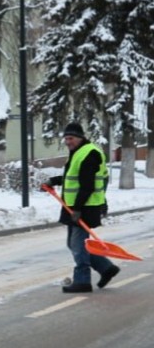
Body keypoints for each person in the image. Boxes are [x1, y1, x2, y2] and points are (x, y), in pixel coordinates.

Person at [44, 122, 119, 293]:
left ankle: (82, 281)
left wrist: (77, 209)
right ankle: (105, 268)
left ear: (79, 137)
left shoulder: (89, 153)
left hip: (84, 207)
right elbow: (74, 178)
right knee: (73, 244)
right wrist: (54, 181)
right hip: (75, 207)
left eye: (70, 138)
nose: (67, 142)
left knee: (78, 245)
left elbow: (87, 185)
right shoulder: (78, 152)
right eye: (66, 139)